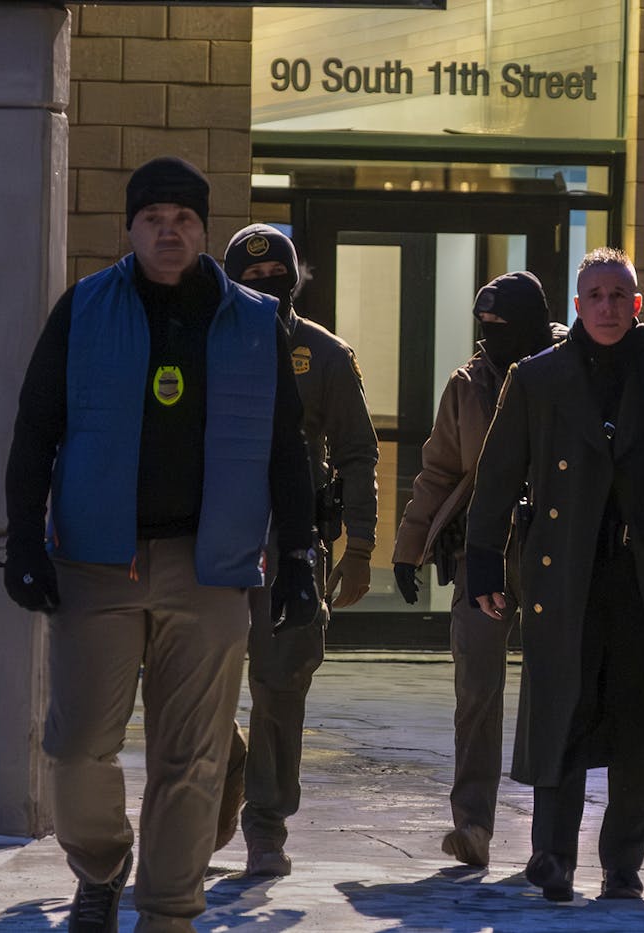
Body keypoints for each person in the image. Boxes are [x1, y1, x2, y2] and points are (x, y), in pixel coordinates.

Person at [2, 156, 320, 932]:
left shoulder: (252, 321)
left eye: (182, 219)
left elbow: (286, 448)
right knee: (76, 748)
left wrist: (299, 557)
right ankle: (103, 865)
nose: (168, 231)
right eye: (154, 219)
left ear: (203, 229)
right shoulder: (83, 309)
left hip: (210, 566)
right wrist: (23, 537)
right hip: (95, 559)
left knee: (194, 756)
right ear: (130, 227)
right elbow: (36, 428)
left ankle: (170, 911)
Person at [465, 247, 644, 903]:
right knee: (565, 710)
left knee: (636, 722)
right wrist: (481, 560)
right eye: (596, 295)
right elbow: (497, 476)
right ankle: (551, 856)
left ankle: (621, 864)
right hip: (565, 574)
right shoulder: (536, 377)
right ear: (577, 306)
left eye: (620, 295)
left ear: (637, 304)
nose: (608, 306)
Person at [219, 223, 380, 877]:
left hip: (293, 546)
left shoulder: (324, 354)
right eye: (249, 278)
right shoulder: (209, 343)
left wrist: (362, 546)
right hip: (215, 537)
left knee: (280, 686)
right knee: (196, 687)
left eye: (275, 276)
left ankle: (265, 825)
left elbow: (357, 452)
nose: (264, 286)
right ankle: (224, 777)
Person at [390, 271, 557, 869]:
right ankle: (473, 825)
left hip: (549, 552)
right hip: (478, 553)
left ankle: (552, 832)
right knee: (477, 691)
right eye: (482, 325)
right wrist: (408, 548)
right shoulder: (468, 383)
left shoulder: (566, 369)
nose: (490, 337)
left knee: (552, 691)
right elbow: (438, 469)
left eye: (502, 326)